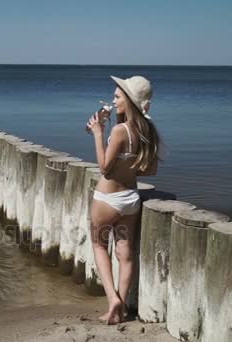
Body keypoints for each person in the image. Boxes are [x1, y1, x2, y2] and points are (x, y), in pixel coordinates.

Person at [86, 75, 160, 324]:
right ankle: (122, 308)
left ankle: (112, 300)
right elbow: (150, 170)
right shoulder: (145, 129)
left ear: (129, 100)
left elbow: (105, 168)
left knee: (98, 246)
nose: (113, 100)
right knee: (125, 253)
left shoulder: (119, 130)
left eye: (118, 96)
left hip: (107, 198)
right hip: (131, 198)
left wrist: (98, 134)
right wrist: (127, 167)